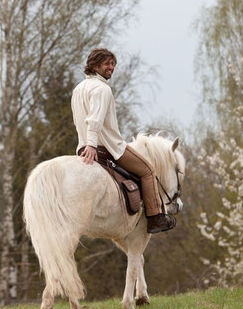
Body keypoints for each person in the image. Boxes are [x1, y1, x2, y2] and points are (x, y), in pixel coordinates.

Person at [71, 48, 176, 234]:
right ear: (94, 65)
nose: (111, 68)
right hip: (108, 147)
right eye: (107, 64)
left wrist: (87, 144)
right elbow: (95, 119)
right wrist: (92, 144)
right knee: (148, 170)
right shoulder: (102, 89)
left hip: (82, 147)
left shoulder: (78, 89)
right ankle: (155, 218)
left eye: (113, 64)